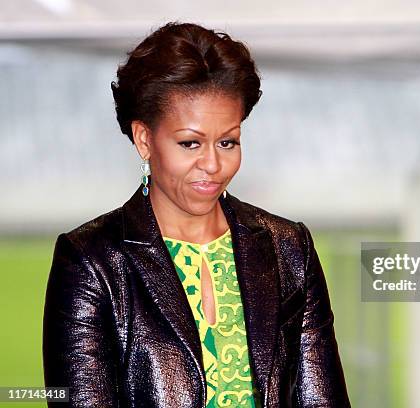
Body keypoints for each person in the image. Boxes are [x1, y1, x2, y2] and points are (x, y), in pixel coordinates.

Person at [42, 21, 350, 408]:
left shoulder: (287, 248)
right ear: (144, 139)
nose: (213, 164)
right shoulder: (91, 260)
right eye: (190, 143)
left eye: (228, 142)